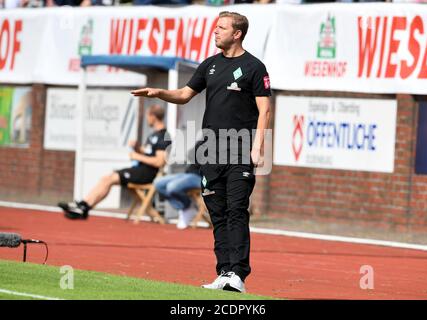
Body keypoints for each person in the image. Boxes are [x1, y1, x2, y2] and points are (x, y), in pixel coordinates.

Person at [131, 11, 271, 293]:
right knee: (217, 213)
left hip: (240, 150)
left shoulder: (255, 67)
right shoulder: (209, 65)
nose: (215, 32)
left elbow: (265, 109)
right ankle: (224, 272)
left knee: (236, 211)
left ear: (237, 33)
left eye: (221, 28)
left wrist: (258, 147)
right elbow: (184, 95)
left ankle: (238, 275)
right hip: (210, 153)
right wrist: (159, 93)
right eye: (215, 27)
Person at [58, 104, 171, 220]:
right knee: (106, 179)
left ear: (153, 116)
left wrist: (137, 156)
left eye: (148, 116)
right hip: (141, 170)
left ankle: (84, 207)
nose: (147, 119)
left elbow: (159, 162)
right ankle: (83, 206)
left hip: (147, 174)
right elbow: (148, 152)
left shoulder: (163, 136)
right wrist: (137, 148)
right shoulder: (153, 135)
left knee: (109, 179)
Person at [154, 146, 202, 230]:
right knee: (158, 183)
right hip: (188, 174)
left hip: (200, 177)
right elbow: (190, 153)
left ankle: (187, 207)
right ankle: (186, 207)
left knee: (171, 187)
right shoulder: (204, 140)